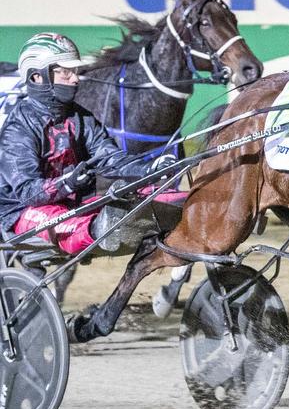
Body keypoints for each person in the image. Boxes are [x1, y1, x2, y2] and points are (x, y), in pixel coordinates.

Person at [0, 33, 177, 255]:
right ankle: (99, 229)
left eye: (74, 72)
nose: (75, 79)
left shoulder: (80, 118)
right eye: (65, 72)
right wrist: (69, 181)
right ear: (37, 77)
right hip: (22, 211)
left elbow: (110, 159)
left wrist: (151, 168)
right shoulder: (18, 128)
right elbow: (28, 193)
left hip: (72, 205)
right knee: (77, 226)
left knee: (153, 196)